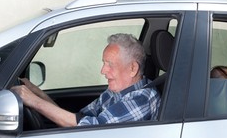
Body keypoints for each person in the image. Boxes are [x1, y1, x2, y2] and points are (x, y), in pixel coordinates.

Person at [11, 33, 161, 127]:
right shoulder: (115, 92)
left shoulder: (142, 98)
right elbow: (79, 118)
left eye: (109, 64)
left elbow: (88, 127)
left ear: (133, 68)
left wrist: (33, 101)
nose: (103, 70)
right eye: (104, 63)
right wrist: (36, 92)